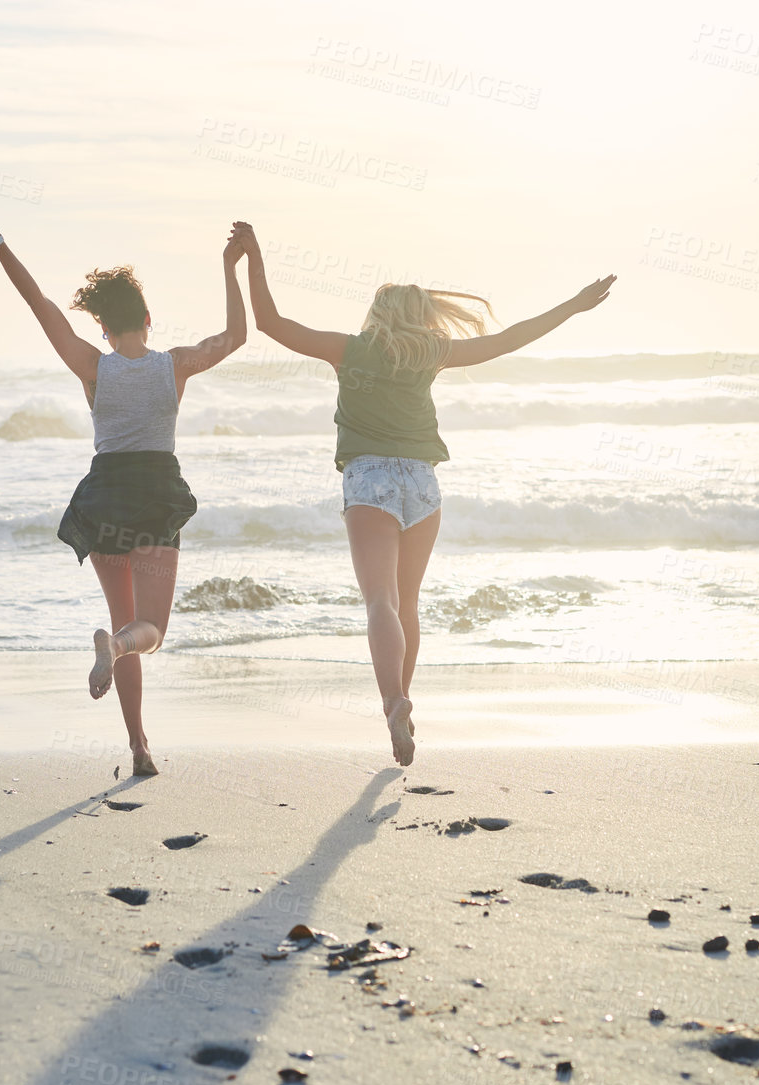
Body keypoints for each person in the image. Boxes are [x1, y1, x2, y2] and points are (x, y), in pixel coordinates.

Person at [232, 222, 614, 766]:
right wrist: (571, 307)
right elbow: (507, 341)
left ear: (378, 313)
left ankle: (392, 701)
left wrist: (253, 258)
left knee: (380, 602)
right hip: (423, 484)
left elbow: (269, 322)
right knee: (407, 602)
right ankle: (402, 704)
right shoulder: (431, 353)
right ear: (418, 317)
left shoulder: (350, 349)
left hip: (369, 482)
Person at [0, 212, 247, 777]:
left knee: (123, 622)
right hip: (156, 492)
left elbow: (39, 305)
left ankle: (139, 747)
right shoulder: (176, 365)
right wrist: (230, 265)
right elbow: (237, 336)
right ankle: (117, 658)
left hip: (105, 494)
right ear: (147, 319)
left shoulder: (92, 366)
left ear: (103, 327)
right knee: (147, 633)